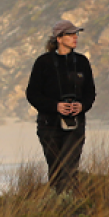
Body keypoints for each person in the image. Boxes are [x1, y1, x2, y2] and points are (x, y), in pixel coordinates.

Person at [25, 19, 96, 192]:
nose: (75, 37)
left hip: (75, 124)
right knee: (56, 169)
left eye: (76, 34)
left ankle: (71, 207)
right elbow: (32, 94)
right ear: (59, 38)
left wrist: (82, 106)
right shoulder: (43, 63)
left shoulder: (82, 62)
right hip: (48, 125)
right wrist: (55, 106)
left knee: (70, 167)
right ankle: (58, 207)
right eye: (70, 34)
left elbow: (90, 93)